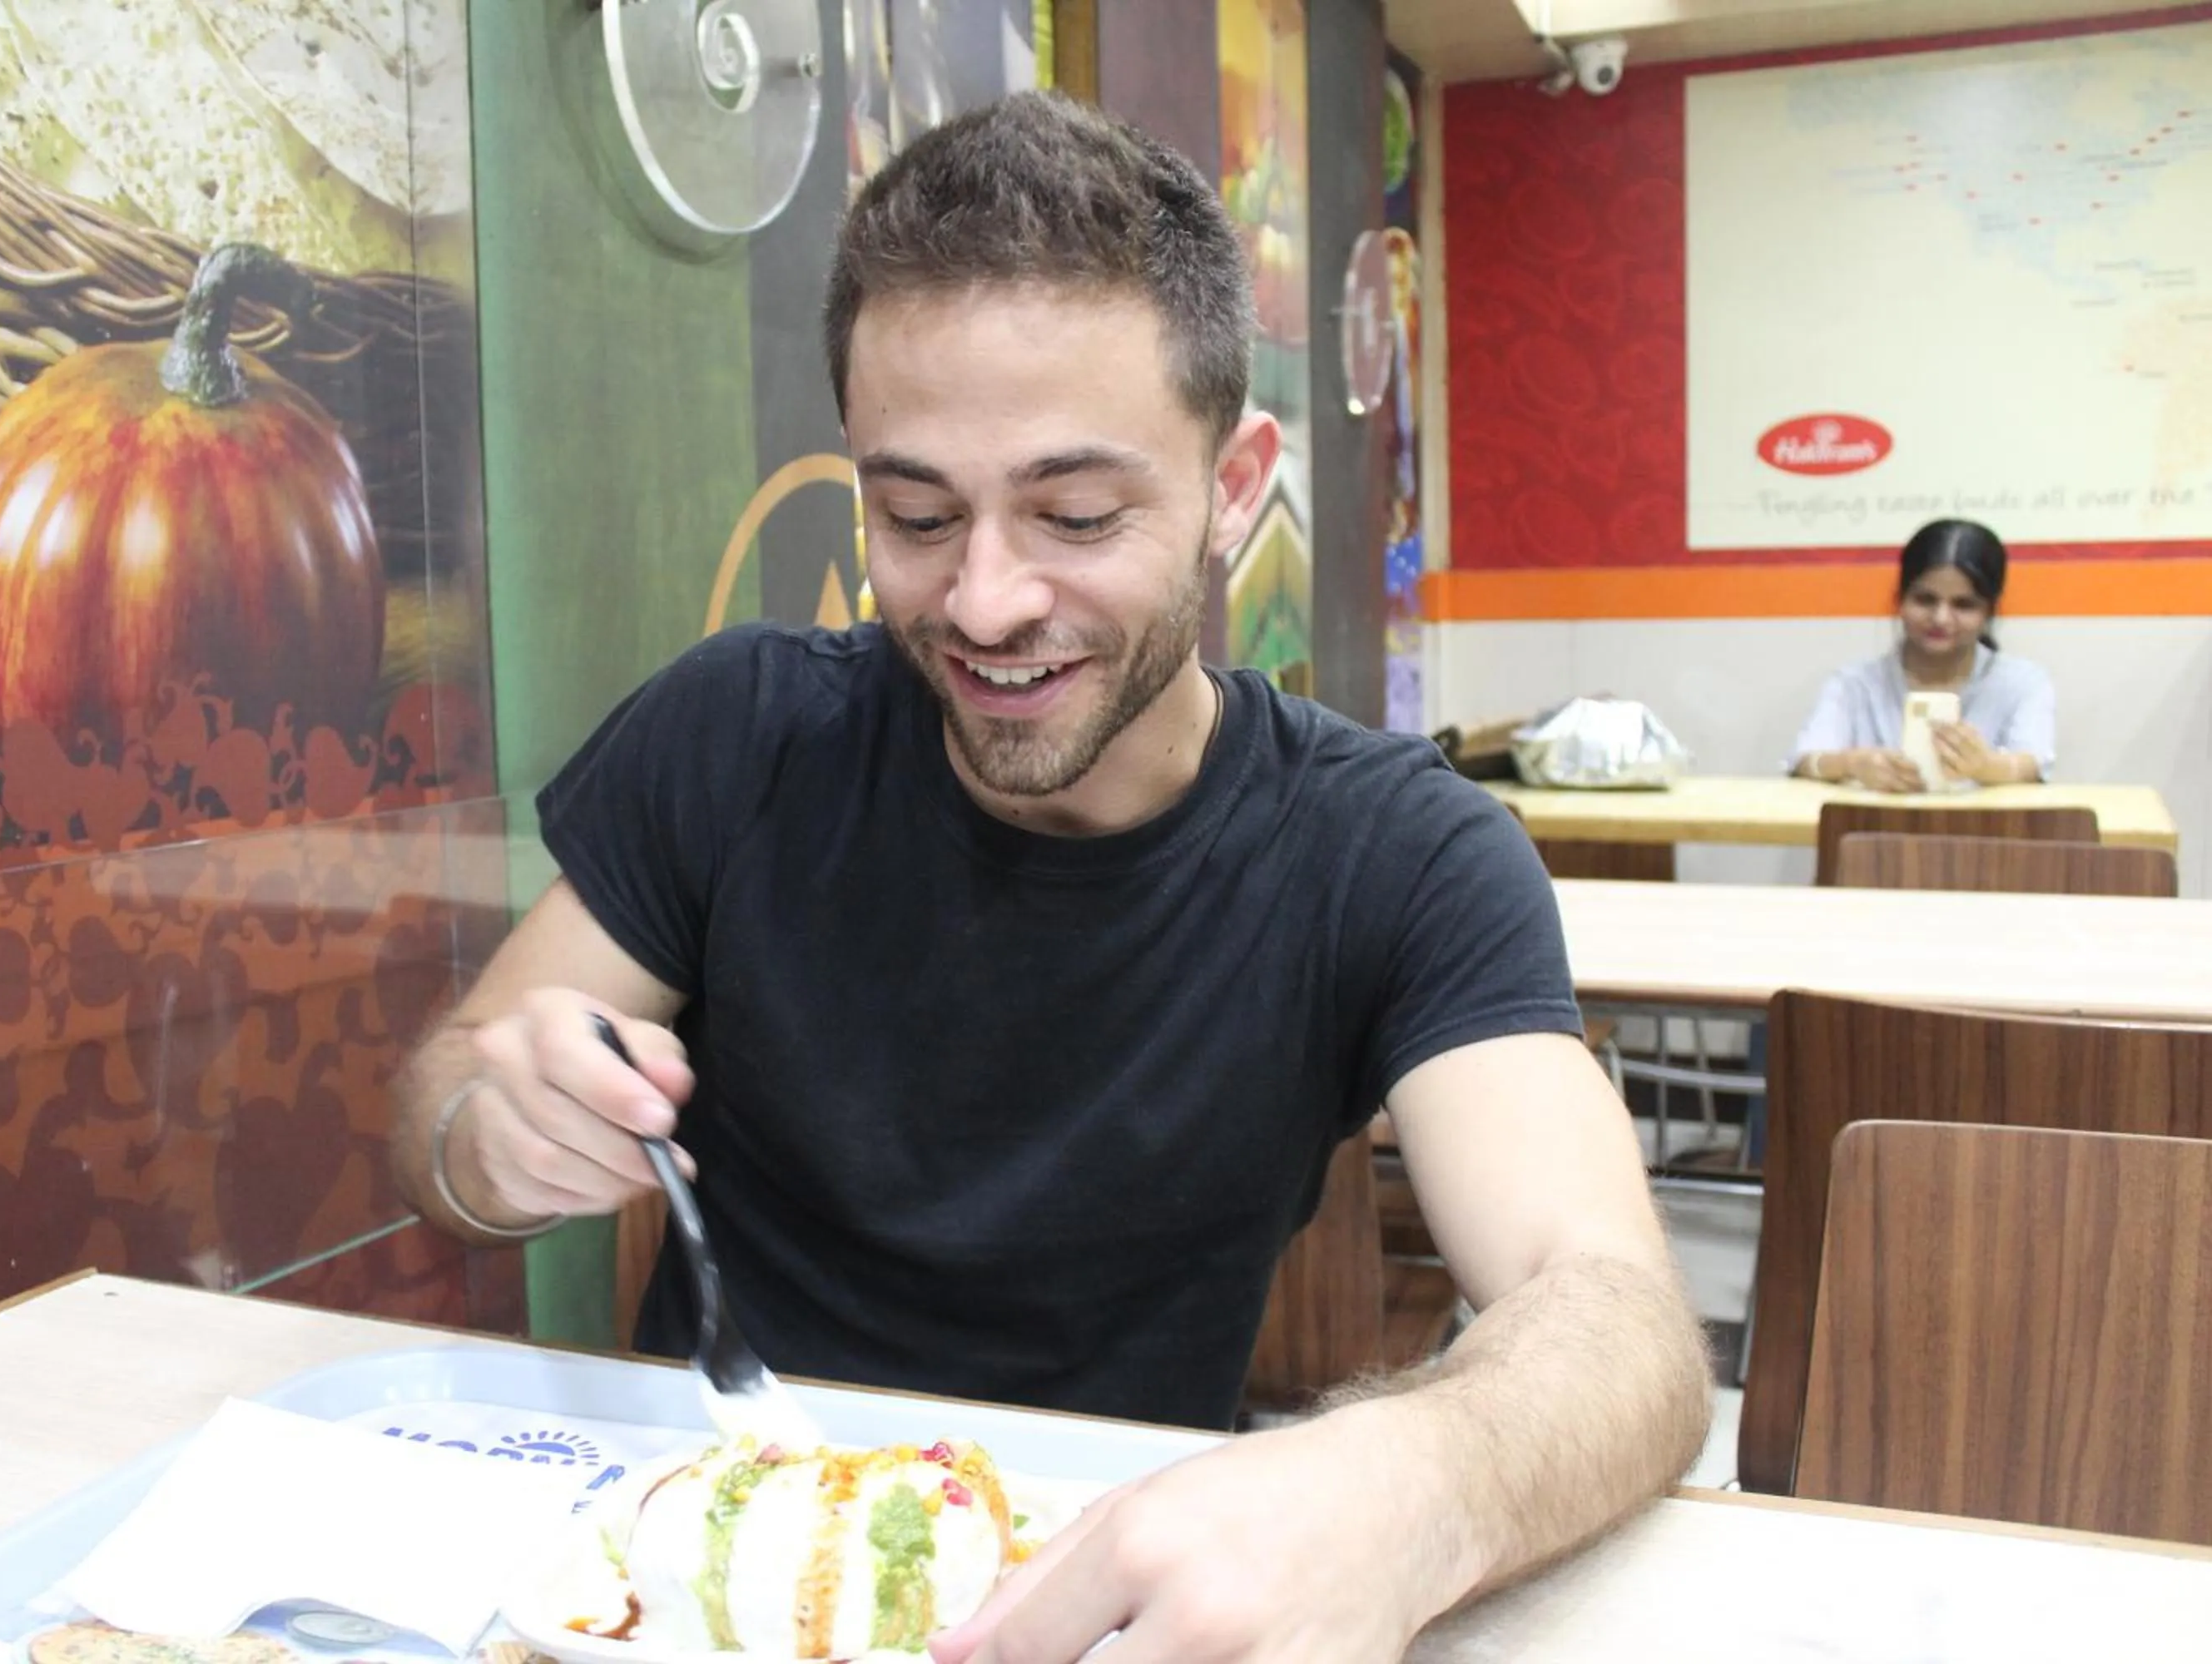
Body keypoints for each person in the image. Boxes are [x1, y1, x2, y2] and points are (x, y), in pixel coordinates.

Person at [391, 92, 1709, 1663]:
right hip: (691, 1567)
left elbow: (1617, 1321)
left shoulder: (1394, 851)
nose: (987, 601)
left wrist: (1409, 1480)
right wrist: (495, 1132)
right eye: (916, 514)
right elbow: (446, 1104)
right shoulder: (739, 734)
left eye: (1077, 515)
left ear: (1232, 489)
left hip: (1101, 1591)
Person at [1788, 519, 2057, 793]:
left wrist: (1986, 767)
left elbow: (2033, 763)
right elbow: (1804, 760)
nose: (1941, 619)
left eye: (1963, 605)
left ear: (1989, 611)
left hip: (1985, 833)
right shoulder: (1855, 683)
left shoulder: (2023, 683)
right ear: (1900, 599)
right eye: (1925, 600)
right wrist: (1851, 763)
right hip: (1876, 832)